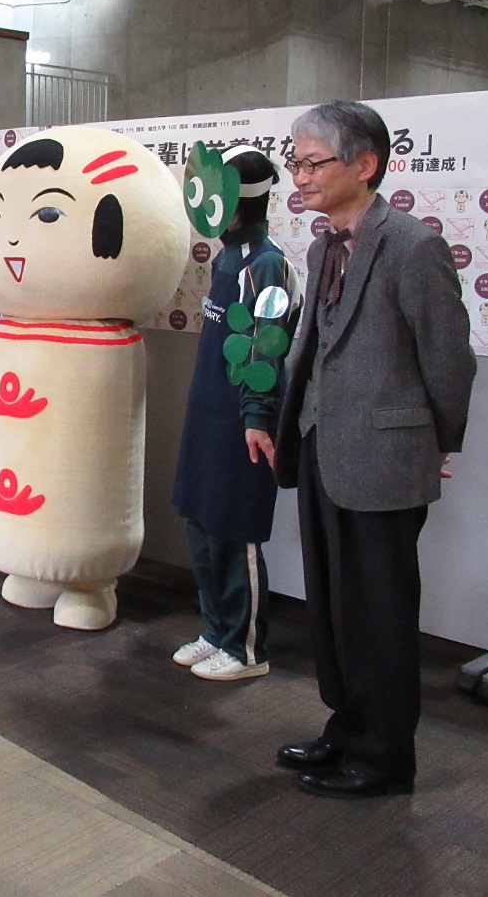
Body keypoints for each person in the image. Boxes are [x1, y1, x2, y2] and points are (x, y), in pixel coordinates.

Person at [272, 100, 475, 800]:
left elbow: (448, 360)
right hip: (322, 449)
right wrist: (286, 420)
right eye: (294, 163)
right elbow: (313, 348)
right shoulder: (325, 243)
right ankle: (347, 725)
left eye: (311, 162)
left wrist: (435, 445)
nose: (298, 175)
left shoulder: (414, 245)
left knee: (380, 613)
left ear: (364, 164)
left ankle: (386, 755)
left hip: (385, 461)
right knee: (330, 605)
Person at [171, 146, 295, 681]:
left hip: (244, 422)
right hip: (207, 416)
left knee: (234, 527)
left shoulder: (267, 263)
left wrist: (256, 417)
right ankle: (215, 629)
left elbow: (265, 348)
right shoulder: (225, 258)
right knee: (201, 521)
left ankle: (247, 649)